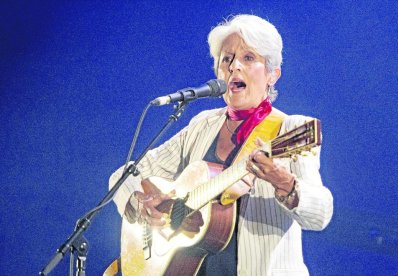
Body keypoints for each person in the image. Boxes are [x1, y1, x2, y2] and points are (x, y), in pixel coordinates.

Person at [109, 14, 333, 276]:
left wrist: (286, 184)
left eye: (249, 58)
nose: (234, 66)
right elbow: (123, 176)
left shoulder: (291, 129)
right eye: (226, 59)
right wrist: (142, 202)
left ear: (273, 74)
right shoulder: (203, 124)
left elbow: (321, 214)